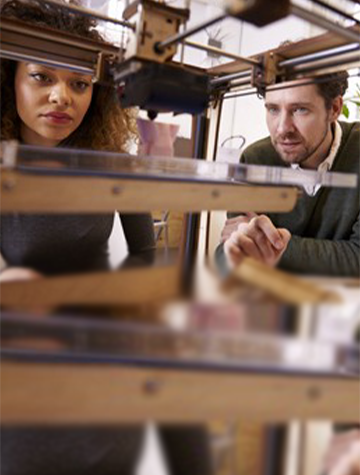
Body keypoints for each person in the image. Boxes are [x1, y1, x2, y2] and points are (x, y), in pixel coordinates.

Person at [0, 1, 214, 474]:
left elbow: (144, 250)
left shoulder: (108, 159)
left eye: (79, 83)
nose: (62, 97)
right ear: (9, 78)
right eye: (42, 77)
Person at [216, 71, 360, 277]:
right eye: (273, 109)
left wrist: (271, 243)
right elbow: (228, 253)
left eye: (300, 109)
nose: (283, 128)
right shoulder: (255, 158)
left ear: (335, 108)